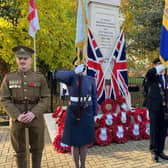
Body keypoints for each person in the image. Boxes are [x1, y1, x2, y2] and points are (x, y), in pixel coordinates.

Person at [0, 45, 50, 168]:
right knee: (19, 151)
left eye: (25, 58)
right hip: (17, 119)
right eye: (19, 58)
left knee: (37, 150)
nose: (22, 61)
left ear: (30, 60)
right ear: (16, 59)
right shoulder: (9, 78)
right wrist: (17, 115)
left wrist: (33, 113)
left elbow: (46, 98)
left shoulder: (39, 77)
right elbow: (4, 98)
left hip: (36, 118)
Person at [52, 57, 97, 168]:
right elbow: (56, 75)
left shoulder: (91, 79)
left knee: (84, 142)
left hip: (87, 111)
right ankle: (76, 165)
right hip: (73, 112)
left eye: (82, 66)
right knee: (75, 143)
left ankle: (83, 165)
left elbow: (94, 98)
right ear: (74, 67)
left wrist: (94, 114)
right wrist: (74, 72)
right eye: (77, 65)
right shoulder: (71, 78)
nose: (80, 68)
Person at [143, 57, 168, 162]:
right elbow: (149, 73)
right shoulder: (152, 76)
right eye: (158, 64)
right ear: (155, 66)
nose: (160, 65)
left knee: (163, 130)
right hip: (154, 107)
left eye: (161, 63)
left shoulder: (166, 77)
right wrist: (162, 65)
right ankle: (154, 151)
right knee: (154, 129)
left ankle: (160, 151)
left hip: (165, 109)